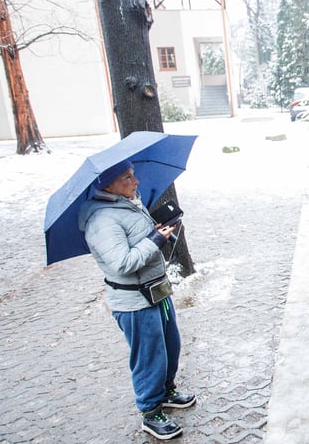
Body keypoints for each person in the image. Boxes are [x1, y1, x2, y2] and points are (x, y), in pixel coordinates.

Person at [78, 160, 195, 440]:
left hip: (157, 291)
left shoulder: (128, 203)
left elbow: (138, 240)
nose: (136, 181)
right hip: (134, 302)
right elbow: (122, 263)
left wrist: (158, 229)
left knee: (170, 346)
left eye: (133, 175)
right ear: (107, 186)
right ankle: (150, 411)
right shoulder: (101, 220)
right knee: (148, 357)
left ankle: (166, 391)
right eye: (127, 178)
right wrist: (154, 239)